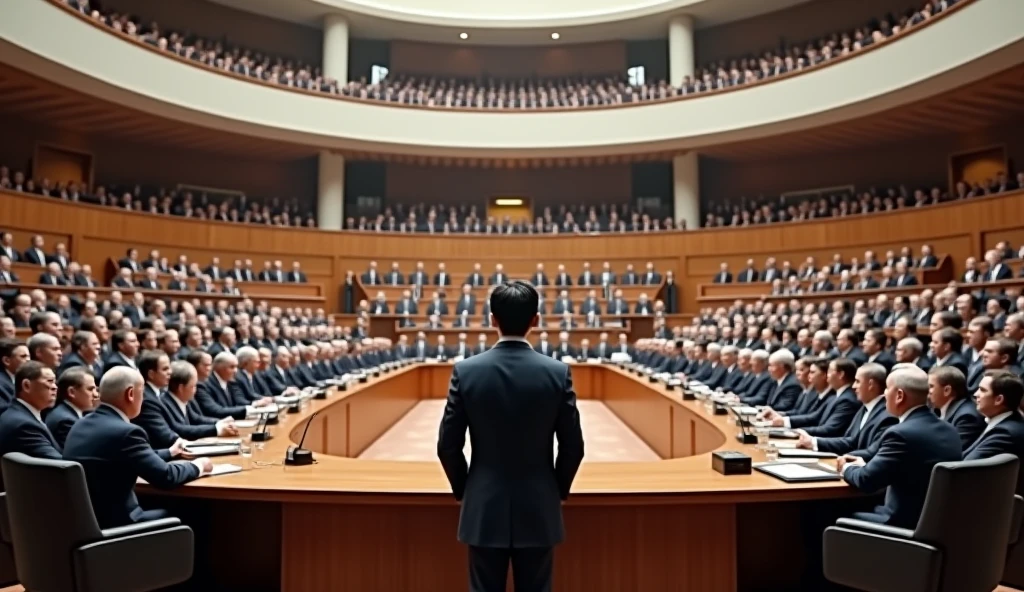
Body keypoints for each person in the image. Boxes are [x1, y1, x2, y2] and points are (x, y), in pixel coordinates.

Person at [437, 280, 584, 592]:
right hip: (539, 505)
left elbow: (448, 446)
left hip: (483, 507)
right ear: (536, 320)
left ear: (492, 319)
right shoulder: (557, 372)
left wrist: (467, 489)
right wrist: (555, 489)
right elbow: (573, 447)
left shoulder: (466, 371)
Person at [62, 367, 212, 528]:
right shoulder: (126, 432)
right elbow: (166, 477)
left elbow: (128, 456)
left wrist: (170, 452)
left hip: (87, 522)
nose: (144, 398)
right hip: (121, 524)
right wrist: (199, 466)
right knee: (199, 510)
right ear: (131, 394)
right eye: (143, 392)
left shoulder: (80, 424)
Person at [839, 366, 963, 528]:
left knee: (822, 512)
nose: (884, 394)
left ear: (899, 396)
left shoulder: (900, 433)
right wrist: (864, 465)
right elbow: (908, 469)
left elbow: (866, 481)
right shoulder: (950, 430)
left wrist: (846, 467)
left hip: (899, 523)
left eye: (887, 389)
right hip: (934, 524)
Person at [964, 371, 1024, 493]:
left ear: (998, 399)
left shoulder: (1006, 432)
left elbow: (965, 467)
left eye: (982, 390)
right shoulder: (1005, 421)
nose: (976, 394)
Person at [0, 361, 62, 461]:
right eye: (49, 381)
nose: (55, 387)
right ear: (26, 386)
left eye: (55, 382)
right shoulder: (24, 425)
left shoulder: (19, 414)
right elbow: (62, 465)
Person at [926, 366, 985, 451]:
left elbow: (952, 451)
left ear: (947, 390)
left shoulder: (967, 417)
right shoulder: (936, 409)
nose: (927, 391)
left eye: (931, 386)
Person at [44, 366, 99, 448]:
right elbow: (79, 453)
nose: (96, 394)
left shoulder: (65, 412)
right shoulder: (66, 421)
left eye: (96, 389)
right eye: (90, 389)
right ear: (72, 392)